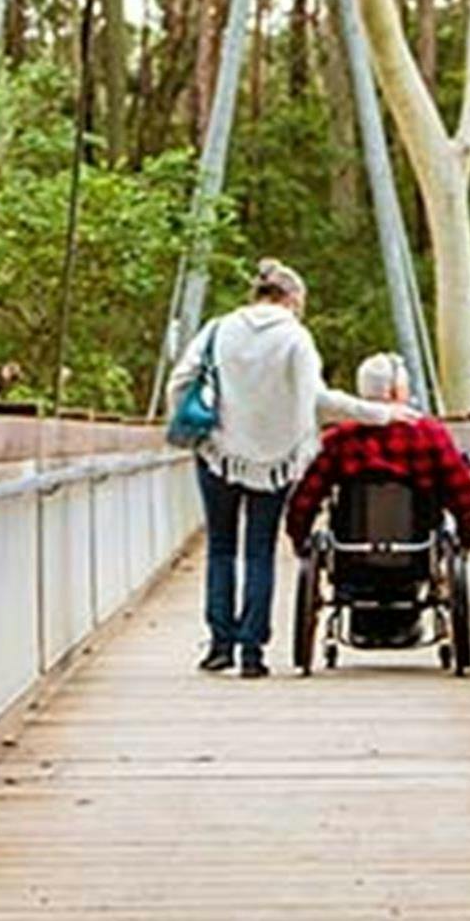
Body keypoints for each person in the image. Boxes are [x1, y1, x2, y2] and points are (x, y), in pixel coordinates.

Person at [166, 258, 403, 678]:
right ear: (292, 298)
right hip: (274, 460)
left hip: (219, 453)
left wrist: (195, 424)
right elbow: (321, 401)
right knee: (260, 550)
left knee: (221, 548)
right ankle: (252, 653)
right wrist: (383, 415)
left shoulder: (219, 328)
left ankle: (220, 645)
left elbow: (180, 381)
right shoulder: (296, 338)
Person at [285, 351, 470, 644]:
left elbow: (306, 497)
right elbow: (463, 494)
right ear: (396, 390)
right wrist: (466, 539)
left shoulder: (339, 440)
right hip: (416, 555)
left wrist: (300, 539)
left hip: (352, 556)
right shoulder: (428, 434)